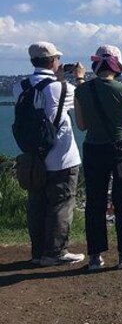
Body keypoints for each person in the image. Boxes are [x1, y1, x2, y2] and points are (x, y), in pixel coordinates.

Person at [12, 42, 86, 266]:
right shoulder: (62, 88)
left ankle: (38, 252)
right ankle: (55, 252)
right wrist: (78, 77)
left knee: (37, 204)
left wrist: (59, 78)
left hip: (33, 156)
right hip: (62, 156)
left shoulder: (20, 87)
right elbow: (83, 101)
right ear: (54, 61)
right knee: (61, 204)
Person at [74, 45, 122, 271]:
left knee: (95, 202)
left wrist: (80, 80)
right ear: (117, 64)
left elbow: (82, 126)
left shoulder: (81, 91)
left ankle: (95, 257)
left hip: (93, 149)